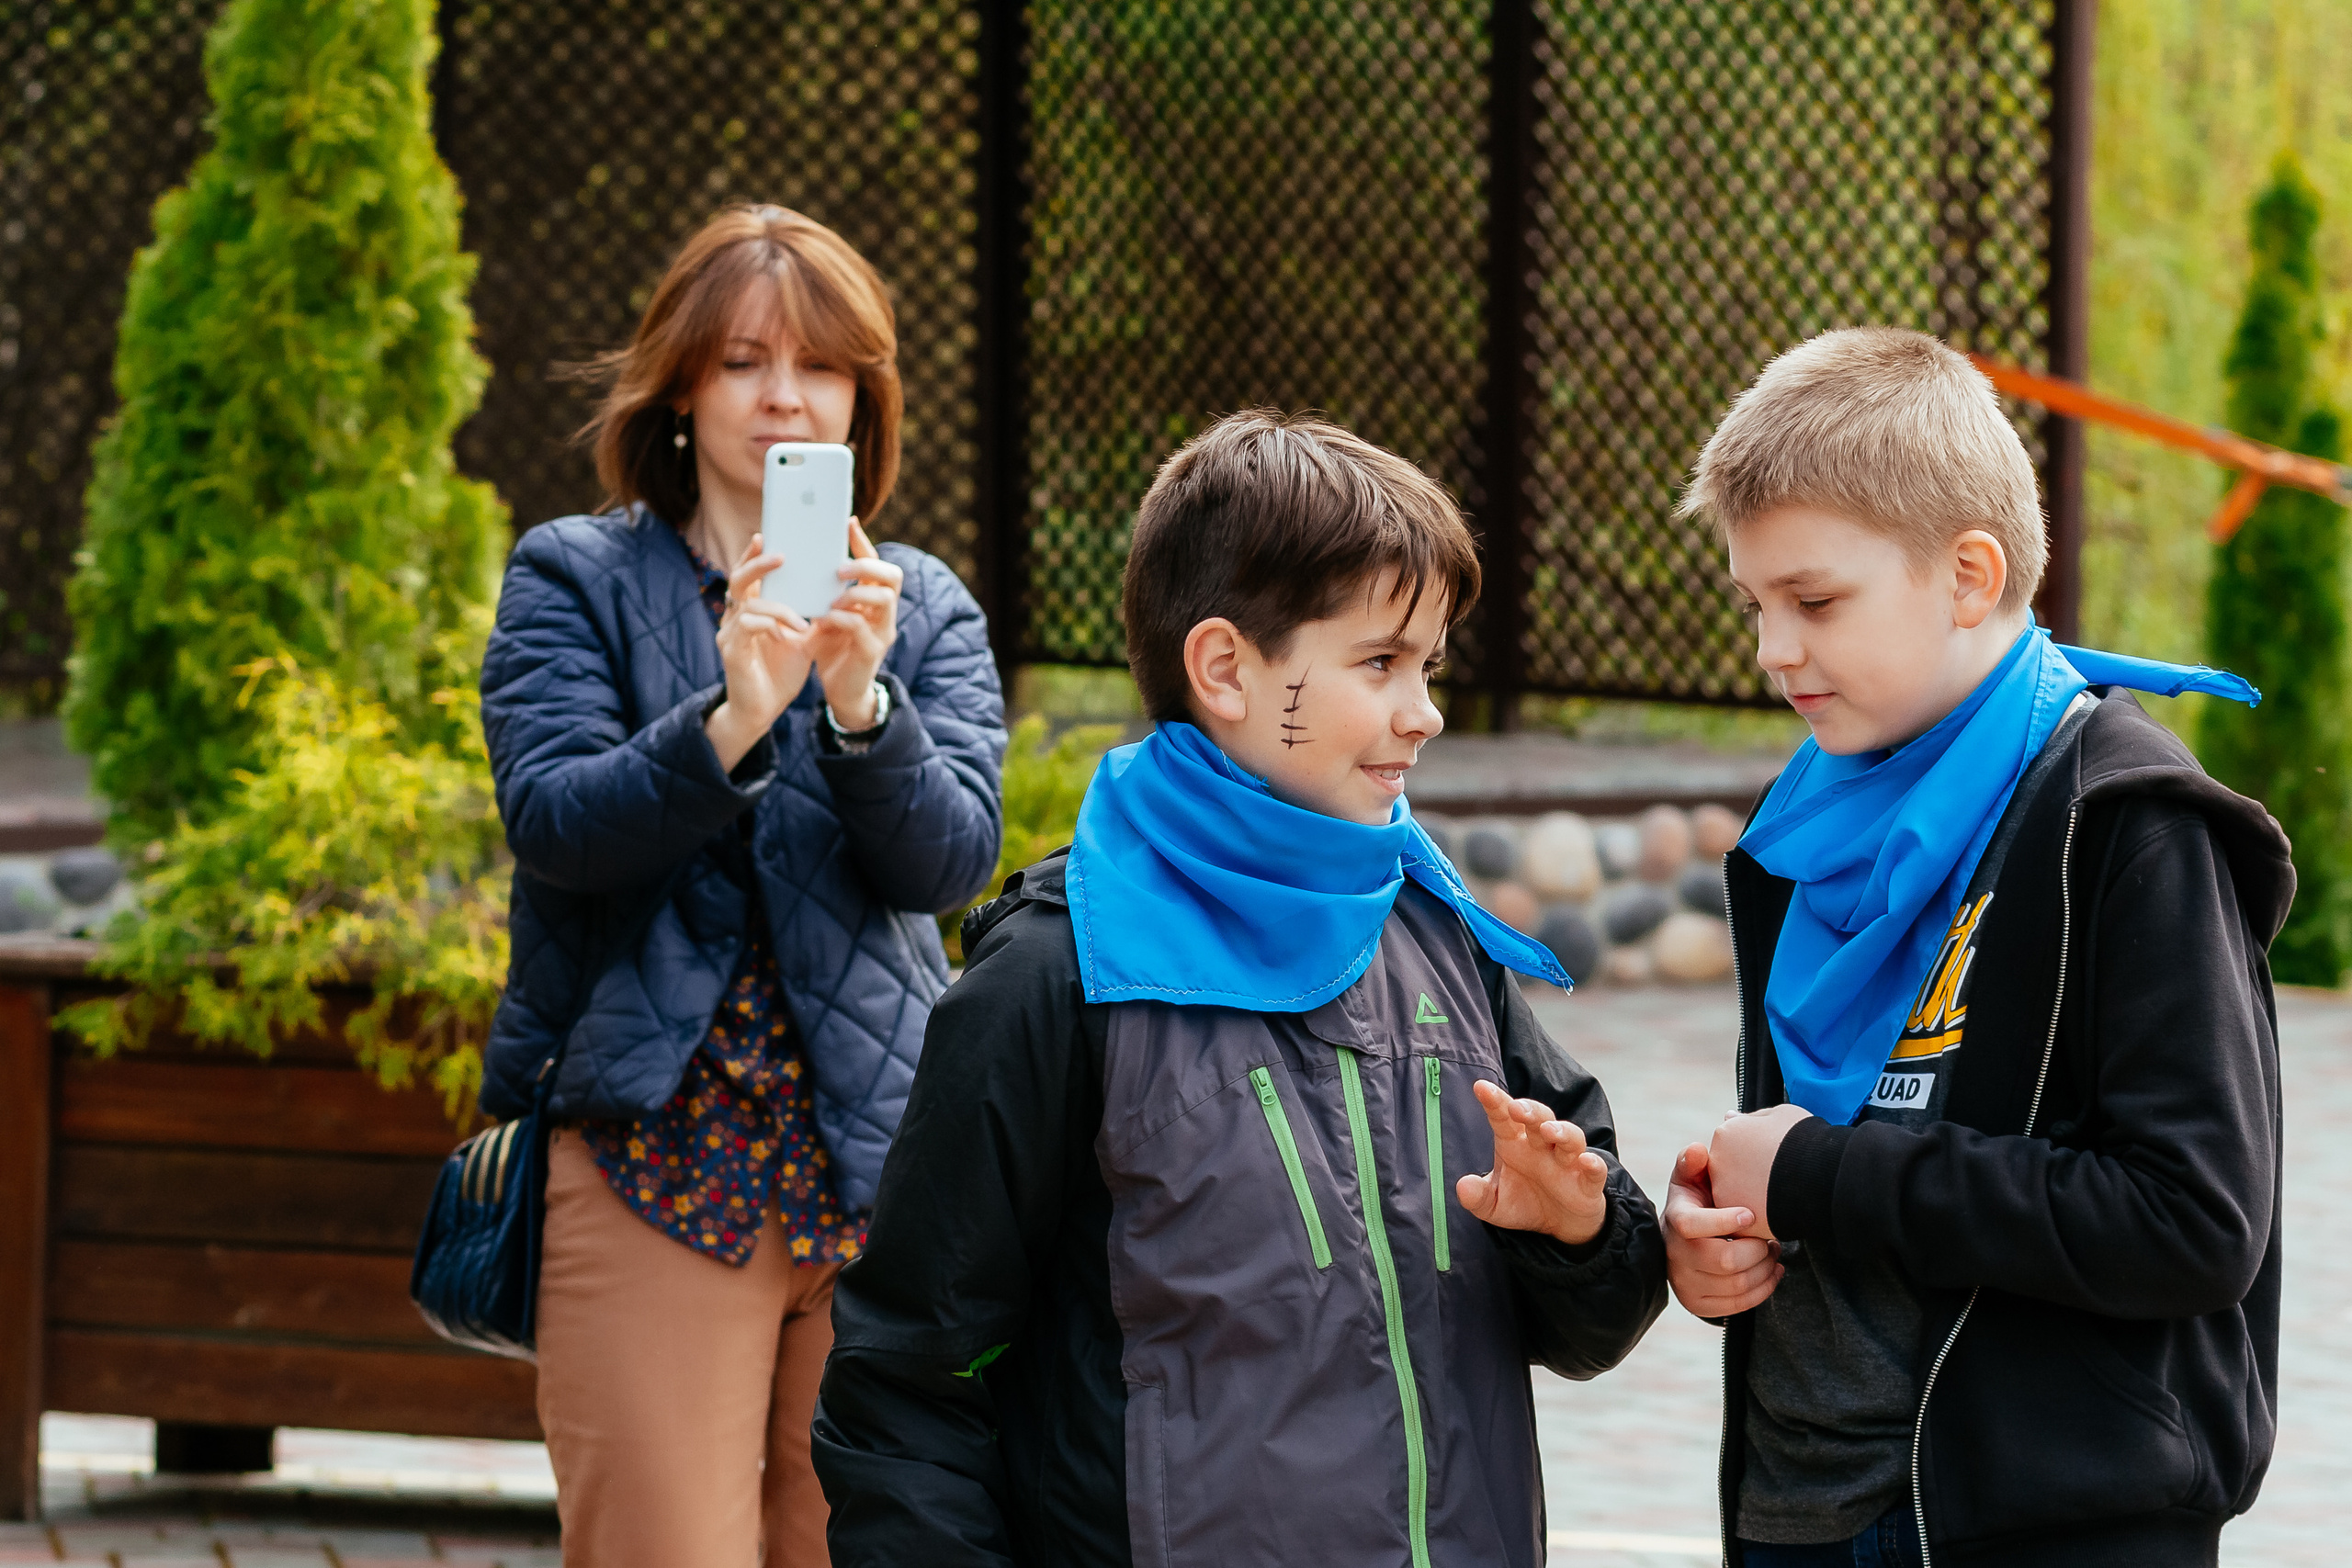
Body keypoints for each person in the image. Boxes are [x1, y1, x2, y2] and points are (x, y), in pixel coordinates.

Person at [809, 410, 1669, 1567]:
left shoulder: (1440, 937)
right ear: (1223, 668)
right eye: (1379, 662)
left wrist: (1574, 1232)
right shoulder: (1054, 976)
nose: (1424, 711)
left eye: (1429, 665)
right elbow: (903, 1386)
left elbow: (1597, 1317)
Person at [1664, 327, 2289, 1567]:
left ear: (1968, 573)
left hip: (2039, 1520)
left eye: (1815, 600)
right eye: (1755, 603)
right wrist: (1720, 1229)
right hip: (1799, 1510)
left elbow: (2192, 1218)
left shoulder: (2126, 822)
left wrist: (1822, 1177)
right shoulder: (1806, 822)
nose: (1772, 649)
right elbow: (1809, 1151)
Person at [477, 204, 1006, 1566]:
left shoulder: (922, 604)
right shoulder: (574, 577)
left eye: (820, 366)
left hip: (875, 1178)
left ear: (862, 398)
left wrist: (858, 701)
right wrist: (730, 717)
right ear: (680, 385)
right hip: (656, 1163)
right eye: (744, 360)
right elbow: (556, 824)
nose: (785, 394)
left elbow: (949, 864)